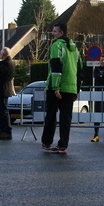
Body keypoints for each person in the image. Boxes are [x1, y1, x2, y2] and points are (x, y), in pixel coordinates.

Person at [41, 23, 82, 154]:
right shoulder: (75, 49)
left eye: (54, 31)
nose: (52, 33)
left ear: (61, 33)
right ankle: (63, 145)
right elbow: (80, 71)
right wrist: (76, 89)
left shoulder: (56, 45)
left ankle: (47, 143)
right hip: (70, 88)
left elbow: (56, 67)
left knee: (51, 115)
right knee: (66, 118)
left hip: (56, 87)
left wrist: (56, 87)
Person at [0, 47, 15, 140]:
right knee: (1, 110)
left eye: (1, 53)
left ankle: (6, 130)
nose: (0, 55)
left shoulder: (6, 64)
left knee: (2, 111)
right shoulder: (8, 63)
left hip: (2, 89)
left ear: (4, 54)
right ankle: (3, 129)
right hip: (4, 89)